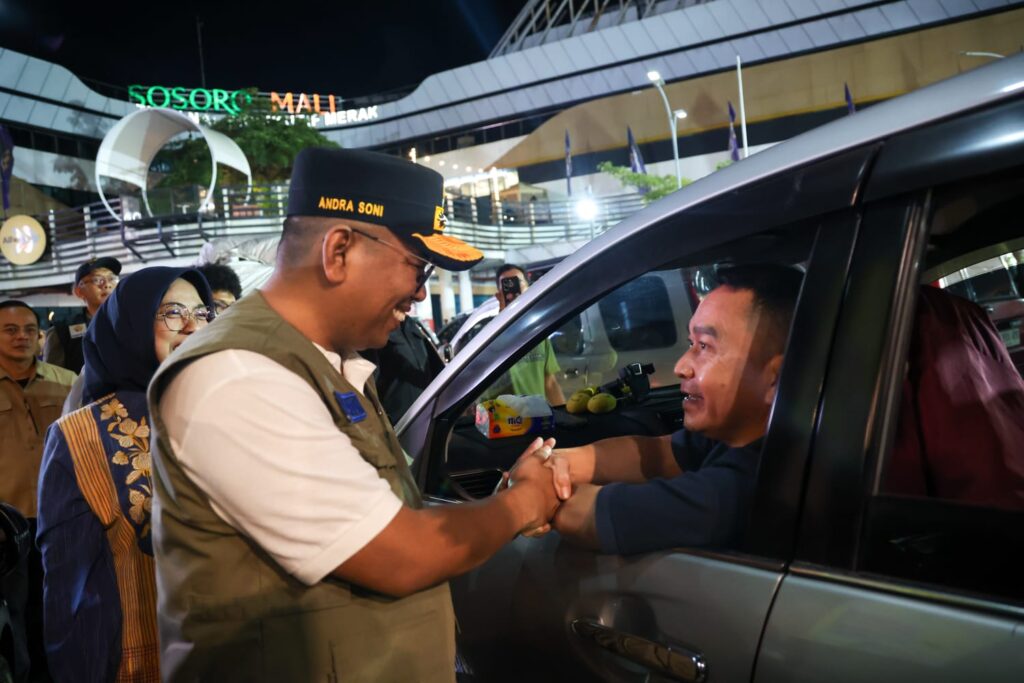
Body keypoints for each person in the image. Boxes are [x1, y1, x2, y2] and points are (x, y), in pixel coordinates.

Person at [147, 147, 561, 682]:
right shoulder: (239, 374)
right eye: (417, 266)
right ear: (339, 250)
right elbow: (403, 554)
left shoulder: (329, 362)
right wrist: (528, 499)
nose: (420, 293)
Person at [542, 265, 802, 553]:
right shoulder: (738, 437)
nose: (681, 367)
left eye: (704, 346)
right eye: (691, 343)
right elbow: (658, 454)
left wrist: (532, 494)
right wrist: (556, 462)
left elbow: (599, 515)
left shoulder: (748, 489)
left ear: (775, 379)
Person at [35, 267, 214, 682]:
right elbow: (70, 594)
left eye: (202, 312)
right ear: (130, 324)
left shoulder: (234, 411)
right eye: (171, 312)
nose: (191, 325)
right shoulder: (80, 436)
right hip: (142, 662)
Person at [0, 299, 77, 683]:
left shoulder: (68, 382)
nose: (22, 337)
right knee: (16, 613)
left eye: (29, 329)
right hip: (7, 524)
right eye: (10, 330)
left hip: (61, 515)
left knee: (63, 604)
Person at [487, 264, 565, 405]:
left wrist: (565, 418)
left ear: (528, 289)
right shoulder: (490, 337)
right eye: (506, 284)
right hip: (505, 420)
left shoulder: (538, 333)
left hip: (537, 417)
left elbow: (550, 383)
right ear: (499, 293)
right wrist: (501, 320)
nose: (512, 289)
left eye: (517, 282)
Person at [43, 257, 121, 373]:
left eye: (112, 279)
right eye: (97, 280)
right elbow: (55, 380)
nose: (107, 285)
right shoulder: (61, 332)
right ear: (79, 291)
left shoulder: (132, 323)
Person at [363, 315, 445, 424]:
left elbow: (437, 372)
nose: (419, 297)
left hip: (428, 421)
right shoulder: (374, 331)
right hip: (400, 427)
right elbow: (366, 391)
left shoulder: (411, 324)